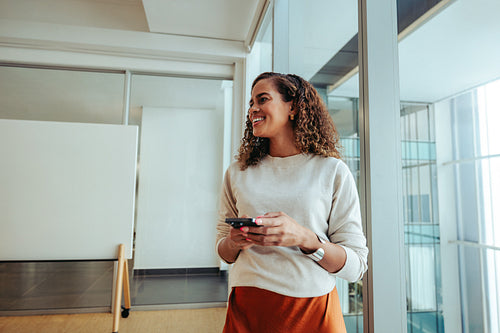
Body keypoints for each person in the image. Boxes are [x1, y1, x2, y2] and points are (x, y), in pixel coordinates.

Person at [215, 72, 368, 333]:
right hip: (248, 308)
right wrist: (233, 242)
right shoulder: (237, 172)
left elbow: (356, 267)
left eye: (262, 100)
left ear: (293, 107)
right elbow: (223, 250)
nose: (253, 109)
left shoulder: (332, 171)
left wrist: (306, 239)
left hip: (312, 311)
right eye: (251, 103)